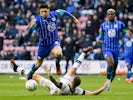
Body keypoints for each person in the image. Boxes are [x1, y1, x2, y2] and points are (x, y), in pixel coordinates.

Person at [10, 46, 110, 95]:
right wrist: (103, 87)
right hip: (60, 84)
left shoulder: (66, 87)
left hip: (53, 88)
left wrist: (49, 74)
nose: (72, 77)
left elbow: (55, 82)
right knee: (73, 69)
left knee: (35, 76)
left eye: (73, 78)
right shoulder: (78, 90)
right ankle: (83, 53)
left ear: (72, 81)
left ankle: (16, 69)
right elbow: (92, 93)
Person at [25, 3, 80, 79]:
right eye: (42, 12)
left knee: (59, 53)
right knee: (38, 63)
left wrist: (74, 18)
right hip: (43, 45)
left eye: (45, 11)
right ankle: (30, 74)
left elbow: (63, 12)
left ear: (48, 10)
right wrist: (30, 27)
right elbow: (29, 30)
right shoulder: (38, 20)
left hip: (54, 41)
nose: (44, 13)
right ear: (40, 12)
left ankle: (57, 65)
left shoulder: (54, 14)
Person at [96, 8, 127, 90]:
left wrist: (123, 41)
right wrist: (98, 40)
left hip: (116, 48)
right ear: (107, 15)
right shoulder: (103, 25)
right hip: (106, 47)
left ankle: (109, 83)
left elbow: (125, 34)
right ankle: (107, 80)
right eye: (109, 14)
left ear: (115, 15)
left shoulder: (120, 24)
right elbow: (101, 36)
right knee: (110, 63)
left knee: (114, 68)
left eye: (112, 14)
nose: (110, 15)